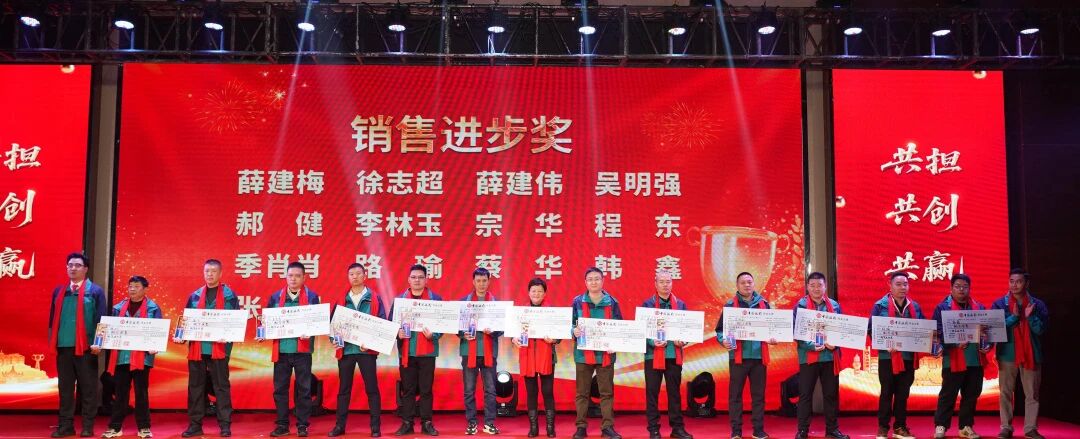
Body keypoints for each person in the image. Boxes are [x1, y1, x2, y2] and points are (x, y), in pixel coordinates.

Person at [176, 259, 239, 438]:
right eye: (207, 271)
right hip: (197, 348)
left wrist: (228, 336)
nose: (210, 274)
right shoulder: (195, 296)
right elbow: (186, 320)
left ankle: (225, 425)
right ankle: (195, 425)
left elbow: (236, 323)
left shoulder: (229, 296)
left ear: (220, 273)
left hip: (219, 348)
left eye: (213, 271)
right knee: (196, 387)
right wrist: (181, 336)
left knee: (221, 387)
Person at [48, 252, 108, 438]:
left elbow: (102, 320)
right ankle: (65, 425)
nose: (73, 268)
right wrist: (53, 342)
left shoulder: (95, 291)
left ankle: (88, 426)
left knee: (88, 388)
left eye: (77, 265)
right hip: (64, 347)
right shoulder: (59, 291)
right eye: (70, 265)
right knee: (65, 389)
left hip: (86, 348)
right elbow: (52, 320)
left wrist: (99, 343)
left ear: (86, 269)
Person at [260, 262, 321, 438]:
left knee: (304, 389)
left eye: (297, 276)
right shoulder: (275, 297)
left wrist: (311, 331)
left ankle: (302, 425)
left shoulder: (312, 297)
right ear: (286, 277)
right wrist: (263, 331)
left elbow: (317, 323)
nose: (293, 279)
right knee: (280, 389)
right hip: (282, 350)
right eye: (290, 275)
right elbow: (267, 321)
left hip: (302, 351)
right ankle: (282, 425)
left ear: (304, 278)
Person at [99, 276, 162, 439]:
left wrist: (155, 345)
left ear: (145, 289)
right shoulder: (118, 308)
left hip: (143, 357)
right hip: (122, 356)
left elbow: (158, 331)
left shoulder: (153, 308)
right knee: (120, 393)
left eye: (136, 286)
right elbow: (108, 329)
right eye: (130, 286)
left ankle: (144, 427)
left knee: (141, 393)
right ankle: (115, 427)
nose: (132, 289)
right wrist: (100, 341)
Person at [329, 263, 387, 438]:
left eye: (358, 273)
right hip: (346, 351)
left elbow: (382, 325)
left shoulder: (374, 299)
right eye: (351, 274)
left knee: (372, 389)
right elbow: (333, 325)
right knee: (344, 390)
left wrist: (371, 343)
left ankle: (375, 427)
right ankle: (339, 426)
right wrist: (334, 340)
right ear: (348, 277)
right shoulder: (342, 299)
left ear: (365, 276)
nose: (355, 276)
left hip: (366, 352)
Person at [715, 272, 776, 439]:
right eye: (743, 283)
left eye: (749, 282)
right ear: (737, 286)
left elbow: (773, 328)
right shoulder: (730, 306)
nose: (747, 285)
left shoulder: (764, 304)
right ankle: (736, 431)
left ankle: (758, 430)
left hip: (758, 357)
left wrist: (773, 337)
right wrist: (723, 340)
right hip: (737, 357)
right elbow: (719, 331)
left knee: (758, 396)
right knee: (735, 396)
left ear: (754, 284)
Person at [931, 274, 991, 439]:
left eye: (965, 287)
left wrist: (987, 343)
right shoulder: (942, 308)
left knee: (971, 395)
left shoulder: (979, 308)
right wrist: (954, 343)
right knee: (948, 394)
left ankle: (965, 426)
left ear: (969, 289)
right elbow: (936, 332)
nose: (961, 290)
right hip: (953, 359)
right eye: (957, 286)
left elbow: (989, 331)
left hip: (974, 359)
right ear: (951, 288)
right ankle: (941, 425)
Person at [992, 268, 1048, 439]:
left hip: (1032, 355)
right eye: (1011, 281)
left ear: (1026, 283)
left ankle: (1030, 428)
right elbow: (995, 329)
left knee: (1032, 394)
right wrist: (1014, 317)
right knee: (1005, 392)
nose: (1014, 285)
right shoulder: (999, 304)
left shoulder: (1037, 305)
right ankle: (1006, 427)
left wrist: (1030, 317)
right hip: (1007, 354)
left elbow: (1041, 330)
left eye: (1019, 281)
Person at [793, 272, 849, 439]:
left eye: (820, 285)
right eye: (813, 285)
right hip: (808, 357)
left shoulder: (834, 306)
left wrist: (835, 343)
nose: (816, 289)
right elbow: (795, 332)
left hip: (830, 357)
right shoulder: (800, 306)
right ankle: (802, 430)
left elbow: (842, 329)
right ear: (808, 287)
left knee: (831, 395)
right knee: (805, 395)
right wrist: (812, 346)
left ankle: (832, 430)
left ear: (825, 287)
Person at [870, 272, 926, 439]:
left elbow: (924, 329)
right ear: (890, 285)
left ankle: (900, 427)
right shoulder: (879, 306)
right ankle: (883, 427)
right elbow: (871, 330)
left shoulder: (915, 307)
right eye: (898, 284)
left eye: (905, 284)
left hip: (908, 357)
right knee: (887, 392)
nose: (902, 287)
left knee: (903, 393)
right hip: (887, 358)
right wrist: (884, 344)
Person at [390, 264, 443, 437]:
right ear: (408, 280)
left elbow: (442, 325)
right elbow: (390, 325)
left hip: (428, 352)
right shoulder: (400, 301)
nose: (417, 280)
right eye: (413, 277)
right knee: (408, 390)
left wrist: (434, 335)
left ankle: (427, 423)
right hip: (407, 352)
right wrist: (397, 332)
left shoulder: (435, 299)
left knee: (426, 390)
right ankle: (407, 423)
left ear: (426, 280)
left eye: (420, 277)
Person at [571, 267, 623, 439]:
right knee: (582, 393)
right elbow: (570, 323)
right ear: (585, 282)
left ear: (602, 281)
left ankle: (607, 427)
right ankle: (581, 427)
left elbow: (619, 327)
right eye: (590, 279)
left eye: (597, 279)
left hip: (605, 354)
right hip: (583, 354)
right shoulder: (577, 302)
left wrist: (615, 343)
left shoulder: (612, 302)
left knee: (606, 393)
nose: (594, 282)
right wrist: (573, 331)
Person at [641, 271, 693, 439]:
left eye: (668, 281)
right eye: (661, 281)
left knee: (674, 393)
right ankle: (653, 429)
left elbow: (686, 330)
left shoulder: (681, 305)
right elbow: (641, 331)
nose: (665, 284)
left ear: (672, 283)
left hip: (673, 354)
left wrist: (683, 340)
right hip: (653, 355)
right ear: (655, 284)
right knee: (652, 394)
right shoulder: (648, 305)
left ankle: (677, 428)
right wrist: (652, 342)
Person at [457, 268, 504, 435]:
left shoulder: (496, 304)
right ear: (473, 282)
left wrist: (494, 331)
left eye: (484, 280)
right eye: (478, 281)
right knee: (469, 390)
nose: (481, 284)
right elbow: (456, 327)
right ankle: (471, 423)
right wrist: (462, 333)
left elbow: (502, 329)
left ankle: (489, 423)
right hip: (468, 352)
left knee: (490, 390)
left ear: (489, 281)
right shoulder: (464, 303)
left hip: (489, 352)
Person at [512, 278, 559, 438]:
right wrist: (513, 338)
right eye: (534, 291)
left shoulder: (551, 312)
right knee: (531, 392)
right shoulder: (521, 312)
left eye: (540, 291)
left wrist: (554, 339)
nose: (536, 294)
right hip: (527, 356)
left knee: (547, 391)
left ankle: (550, 427)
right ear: (528, 293)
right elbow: (513, 332)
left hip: (547, 357)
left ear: (545, 293)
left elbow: (560, 334)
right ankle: (533, 427)